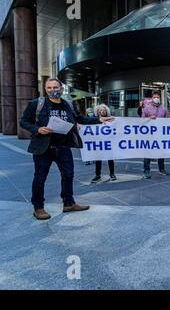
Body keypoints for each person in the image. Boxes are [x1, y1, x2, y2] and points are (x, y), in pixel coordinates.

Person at [20, 78, 113, 220]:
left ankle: (68, 203)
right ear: (45, 89)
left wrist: (99, 120)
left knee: (68, 175)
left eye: (55, 87)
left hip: (63, 147)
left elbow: (80, 119)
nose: (52, 90)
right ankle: (38, 208)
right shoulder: (37, 104)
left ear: (61, 89)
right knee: (40, 178)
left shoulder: (69, 104)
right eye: (49, 88)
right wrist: (38, 129)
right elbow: (24, 121)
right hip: (43, 148)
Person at [141, 91, 170, 179]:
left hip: (160, 134)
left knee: (161, 152)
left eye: (158, 97)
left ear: (160, 98)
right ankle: (147, 170)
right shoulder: (146, 108)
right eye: (155, 97)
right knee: (148, 152)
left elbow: (166, 121)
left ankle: (161, 169)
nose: (156, 98)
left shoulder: (164, 109)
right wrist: (149, 118)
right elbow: (141, 121)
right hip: (149, 135)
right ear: (152, 98)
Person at [91, 104, 116, 183]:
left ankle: (112, 174)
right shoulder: (94, 119)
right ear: (98, 111)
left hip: (108, 141)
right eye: (101, 110)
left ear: (106, 111)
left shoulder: (111, 119)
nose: (102, 111)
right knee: (98, 158)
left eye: (104, 110)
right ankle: (97, 175)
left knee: (110, 158)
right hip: (98, 142)